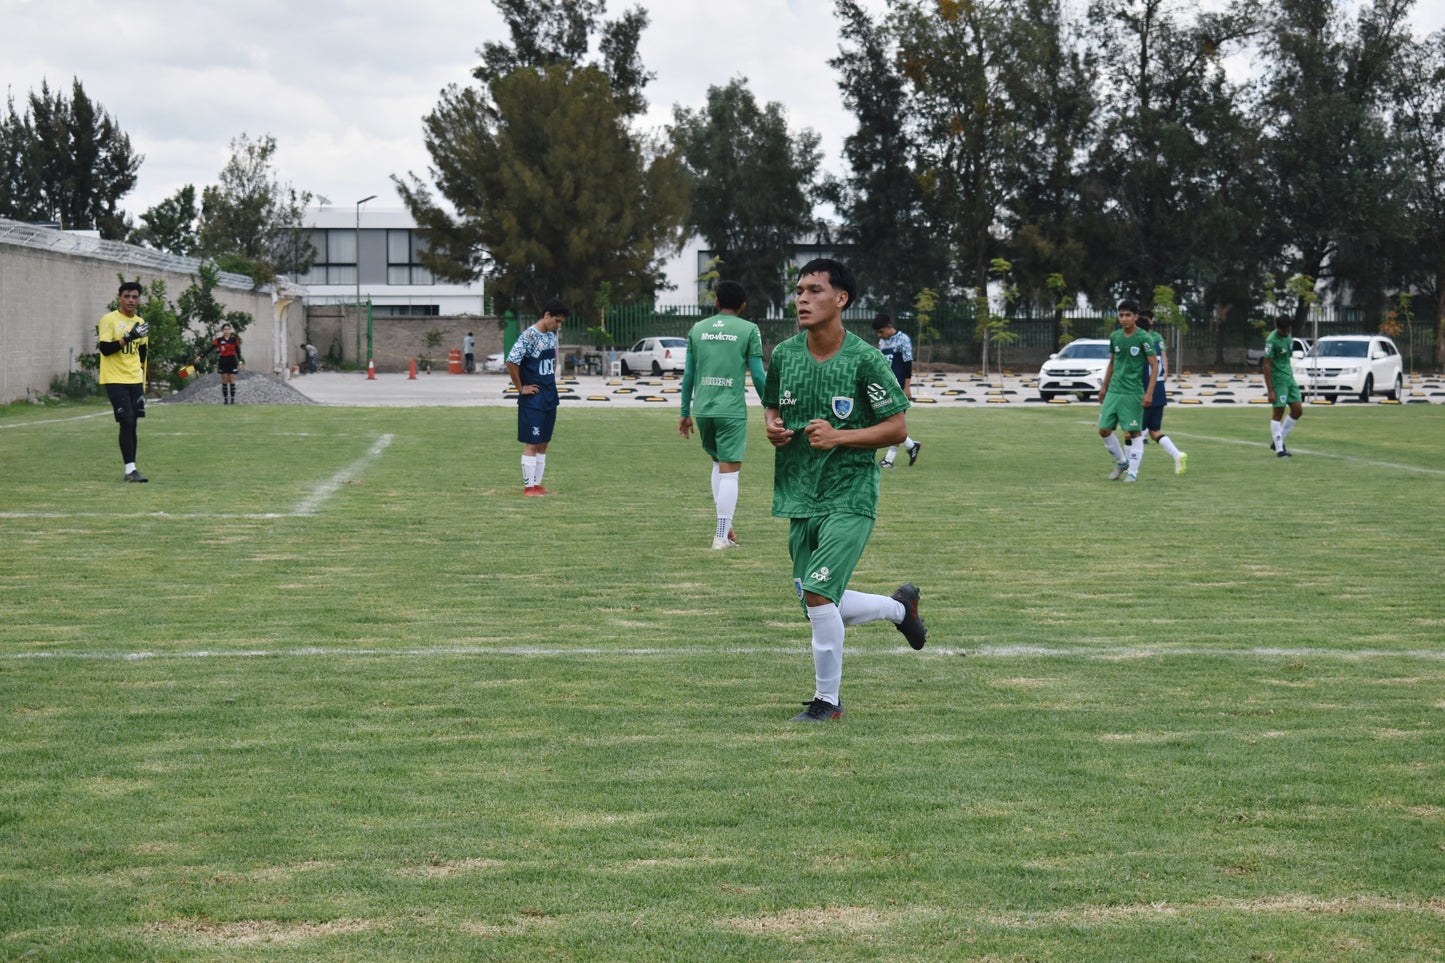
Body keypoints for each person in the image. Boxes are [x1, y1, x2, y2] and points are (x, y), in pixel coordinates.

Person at [763, 258, 929, 723]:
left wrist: (839, 436)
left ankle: (827, 703)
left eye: (814, 290)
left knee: (818, 595)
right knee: (817, 600)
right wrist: (773, 428)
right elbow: (773, 410)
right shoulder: (785, 356)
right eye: (798, 290)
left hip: (850, 493)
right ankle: (900, 609)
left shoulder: (864, 358)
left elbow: (897, 427)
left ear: (841, 299)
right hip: (798, 492)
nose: (801, 298)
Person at [678, 280, 765, 549]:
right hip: (731, 411)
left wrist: (684, 412)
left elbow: (689, 374)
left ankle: (725, 531)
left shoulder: (697, 329)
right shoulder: (749, 329)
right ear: (743, 306)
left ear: (716, 303)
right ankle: (720, 536)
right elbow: (759, 374)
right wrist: (770, 407)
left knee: (718, 466)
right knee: (730, 474)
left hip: (703, 410)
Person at [507, 298, 568, 495]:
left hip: (550, 395)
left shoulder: (551, 336)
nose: (558, 326)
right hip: (533, 399)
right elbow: (512, 362)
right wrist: (521, 388)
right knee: (532, 443)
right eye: (557, 321)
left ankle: (537, 485)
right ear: (547, 315)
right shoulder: (529, 336)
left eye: (561, 323)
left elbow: (554, 359)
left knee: (543, 443)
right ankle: (528, 487)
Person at [1096, 299, 1158, 482]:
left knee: (1134, 432)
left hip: (1133, 392)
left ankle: (1133, 472)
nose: (1124, 319)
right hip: (1114, 391)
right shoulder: (1115, 337)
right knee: (1103, 430)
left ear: (1135, 317)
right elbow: (1113, 363)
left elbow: (1154, 366)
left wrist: (1149, 393)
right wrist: (1104, 387)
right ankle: (1122, 461)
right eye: (1121, 315)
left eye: (1127, 315)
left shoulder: (1144, 338)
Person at [96, 280, 150, 482]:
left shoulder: (141, 323)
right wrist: (128, 337)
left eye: (135, 297)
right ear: (119, 298)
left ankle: (132, 469)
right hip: (115, 379)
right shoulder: (109, 320)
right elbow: (105, 349)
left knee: (132, 424)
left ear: (139, 300)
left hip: (135, 380)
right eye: (127, 296)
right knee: (126, 420)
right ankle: (130, 470)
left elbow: (142, 351)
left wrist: (142, 375)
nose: (131, 300)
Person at [1137, 312, 1187, 474]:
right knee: (1154, 432)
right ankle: (1177, 454)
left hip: (1146, 392)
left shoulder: (1141, 345)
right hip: (1159, 392)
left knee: (1134, 433)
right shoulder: (1155, 344)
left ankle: (1131, 468)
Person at [872, 313, 922, 468]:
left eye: (881, 332)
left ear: (889, 327)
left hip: (899, 387)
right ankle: (912, 445)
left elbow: (908, 364)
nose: (880, 336)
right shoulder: (883, 341)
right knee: (885, 421)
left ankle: (889, 460)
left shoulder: (903, 340)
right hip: (887, 386)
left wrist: (907, 387)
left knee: (896, 423)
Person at [1262, 315, 1303, 457]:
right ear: (1277, 328)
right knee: (1278, 412)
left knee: (1297, 410)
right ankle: (1280, 450)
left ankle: (1277, 440)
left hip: (1289, 377)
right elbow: (1266, 366)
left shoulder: (1289, 334)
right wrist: (1270, 390)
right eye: (1283, 332)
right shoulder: (1271, 341)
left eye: (1287, 331)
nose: (1286, 334)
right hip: (1278, 379)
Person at [197, 323, 243, 404]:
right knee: (224, 379)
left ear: (230, 330)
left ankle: (232, 400)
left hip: (232, 360)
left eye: (228, 329)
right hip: (223, 360)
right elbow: (210, 349)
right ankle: (225, 400)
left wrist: (240, 362)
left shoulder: (234, 340)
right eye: (225, 329)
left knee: (232, 379)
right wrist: (201, 356)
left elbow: (238, 352)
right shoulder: (218, 340)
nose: (227, 331)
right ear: (222, 330)